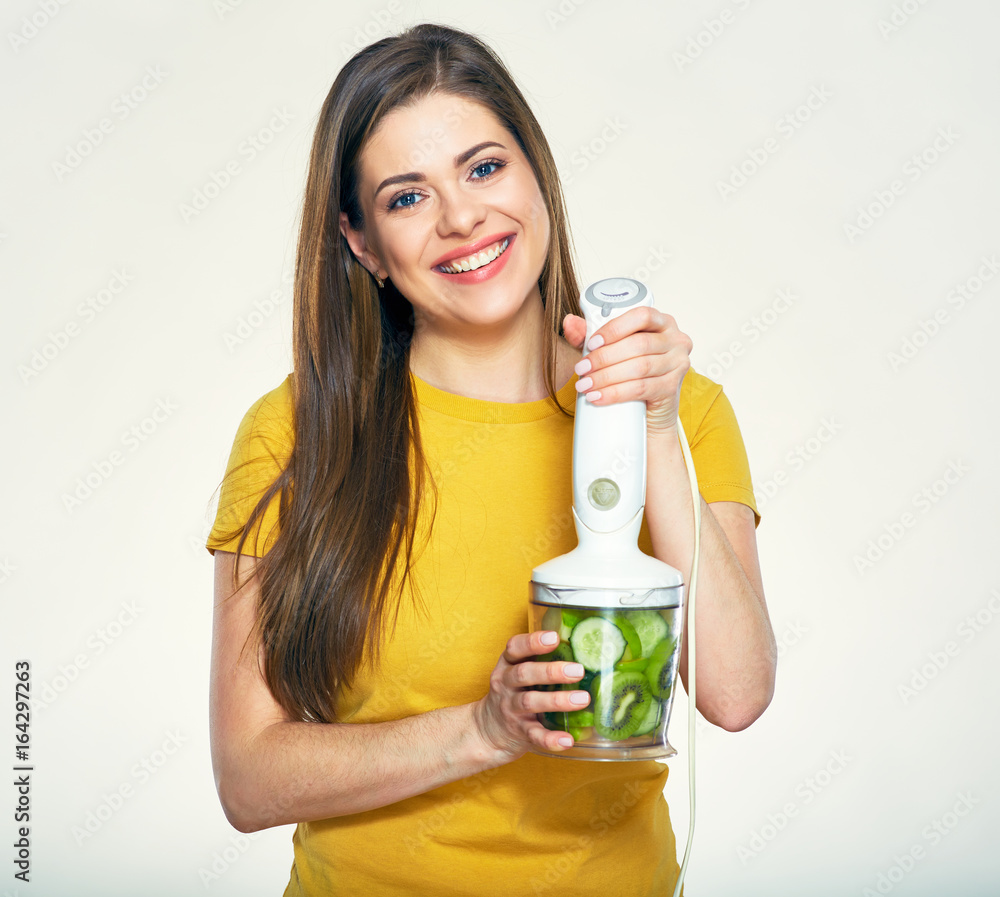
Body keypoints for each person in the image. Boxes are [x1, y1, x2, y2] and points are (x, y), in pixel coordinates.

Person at [206, 22, 776, 896]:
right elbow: (248, 778)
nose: (463, 216)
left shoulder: (680, 410)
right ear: (362, 244)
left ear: (537, 172)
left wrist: (652, 429)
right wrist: (484, 727)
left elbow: (734, 693)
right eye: (407, 197)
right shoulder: (294, 433)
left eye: (483, 167)